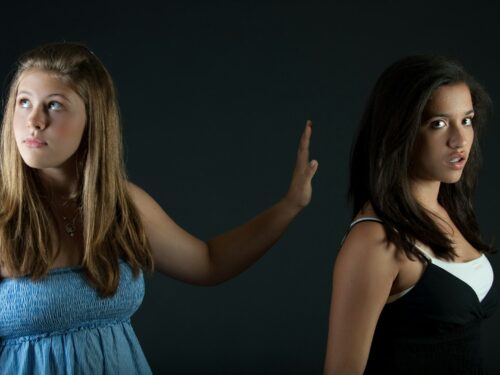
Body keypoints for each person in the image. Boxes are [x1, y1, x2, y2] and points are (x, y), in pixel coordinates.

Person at [0, 42, 318, 374]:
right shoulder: (4, 217)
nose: (34, 120)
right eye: (24, 102)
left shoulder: (122, 205)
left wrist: (288, 207)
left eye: (54, 105)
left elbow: (208, 263)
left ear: (92, 119)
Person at [324, 55, 498, 374]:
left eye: (467, 120)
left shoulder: (448, 210)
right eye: (438, 124)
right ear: (400, 131)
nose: (460, 141)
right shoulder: (375, 240)